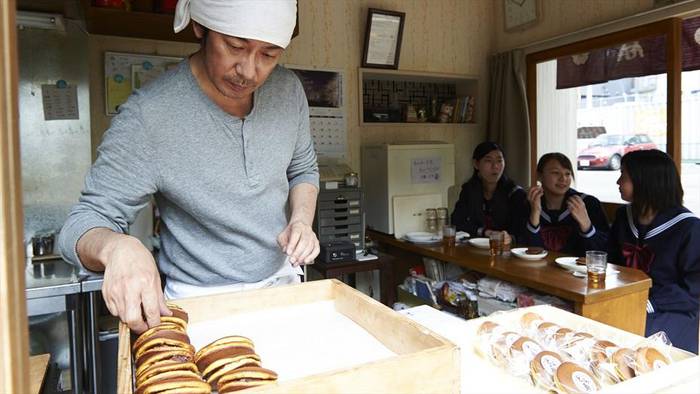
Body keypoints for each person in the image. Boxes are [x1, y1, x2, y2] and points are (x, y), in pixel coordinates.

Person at [58, 0, 320, 334]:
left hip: (283, 287)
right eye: (235, 46)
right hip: (198, 305)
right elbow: (81, 224)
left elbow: (303, 168)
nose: (249, 71)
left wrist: (300, 221)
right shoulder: (150, 116)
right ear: (200, 28)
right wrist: (116, 247)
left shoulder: (288, 91)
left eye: (269, 54)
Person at [608, 150, 699, 354]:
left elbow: (694, 290)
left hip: (671, 308)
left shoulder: (688, 228)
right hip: (626, 298)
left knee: (633, 340)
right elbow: (612, 262)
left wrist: (651, 302)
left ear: (645, 181)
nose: (618, 181)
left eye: (624, 175)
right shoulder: (625, 216)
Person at [522, 153, 609, 256]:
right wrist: (535, 213)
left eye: (567, 173)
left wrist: (587, 226)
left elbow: (602, 252)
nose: (563, 178)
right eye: (555, 173)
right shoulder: (529, 203)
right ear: (539, 176)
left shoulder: (588, 203)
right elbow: (525, 250)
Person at [451, 141, 527, 245]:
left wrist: (510, 238)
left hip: (505, 251)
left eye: (499, 161)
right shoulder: (469, 190)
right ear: (476, 164)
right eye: (488, 161)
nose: (495, 166)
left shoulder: (515, 194)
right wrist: (485, 232)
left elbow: (522, 233)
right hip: (475, 249)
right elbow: (456, 222)